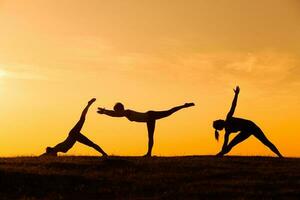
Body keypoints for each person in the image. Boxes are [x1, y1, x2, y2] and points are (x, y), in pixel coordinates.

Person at [97, 102, 195, 157]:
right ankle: (149, 153)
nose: (117, 112)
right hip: (148, 119)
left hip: (150, 116)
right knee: (150, 136)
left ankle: (184, 106)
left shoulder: (126, 112)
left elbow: (115, 115)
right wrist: (105, 111)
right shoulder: (124, 113)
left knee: (169, 112)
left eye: (117, 110)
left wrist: (105, 111)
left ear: (120, 109)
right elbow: (115, 114)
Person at [213, 86, 283, 157]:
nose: (220, 119)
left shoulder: (227, 126)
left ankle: (280, 156)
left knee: (266, 142)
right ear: (220, 124)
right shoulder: (227, 126)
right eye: (219, 120)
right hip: (246, 131)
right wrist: (223, 150)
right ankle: (219, 155)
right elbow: (233, 106)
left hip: (251, 127)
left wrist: (236, 95)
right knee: (231, 145)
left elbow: (233, 106)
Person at [41, 98, 107, 157]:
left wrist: (41, 157)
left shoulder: (57, 148)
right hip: (74, 135)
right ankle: (104, 154)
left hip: (74, 134)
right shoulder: (56, 149)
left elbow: (47, 154)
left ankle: (89, 104)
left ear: (51, 152)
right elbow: (47, 154)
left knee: (82, 119)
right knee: (83, 120)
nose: (55, 156)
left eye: (52, 155)